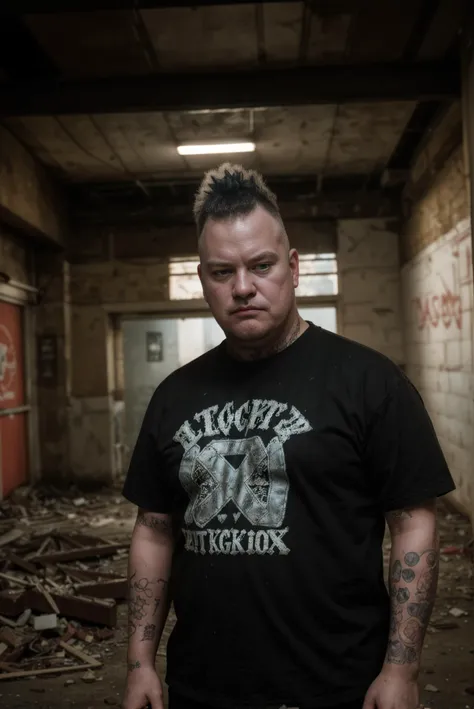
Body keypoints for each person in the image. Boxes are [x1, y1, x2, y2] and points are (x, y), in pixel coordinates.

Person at [121, 163, 455, 709]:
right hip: (201, 687)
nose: (244, 287)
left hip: (337, 685)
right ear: (202, 279)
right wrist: (139, 664)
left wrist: (402, 669)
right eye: (222, 272)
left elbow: (413, 524)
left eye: (262, 265)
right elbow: (154, 531)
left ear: (294, 268)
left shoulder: (370, 382)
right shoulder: (174, 396)